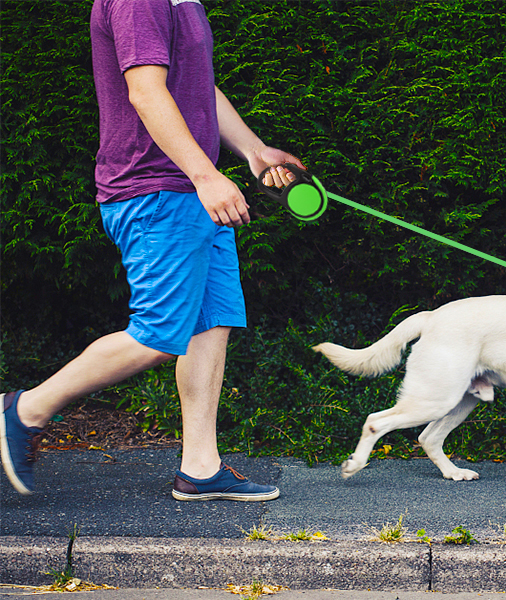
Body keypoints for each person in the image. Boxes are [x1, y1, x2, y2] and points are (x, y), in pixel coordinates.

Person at [1, 0, 302, 501]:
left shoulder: (186, 3)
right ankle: (24, 411)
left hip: (188, 190)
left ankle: (200, 468)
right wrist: (206, 176)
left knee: (212, 322)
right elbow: (144, 91)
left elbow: (197, 87)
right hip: (156, 190)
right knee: (160, 334)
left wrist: (253, 151)